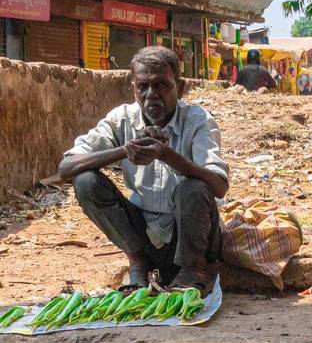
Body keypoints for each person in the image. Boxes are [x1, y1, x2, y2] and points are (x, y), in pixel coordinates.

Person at [58, 47, 229, 293]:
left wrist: (166, 155)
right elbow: (66, 167)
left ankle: (193, 269)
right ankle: (139, 262)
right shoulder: (122, 119)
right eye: (143, 86)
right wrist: (124, 151)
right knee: (85, 182)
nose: (151, 96)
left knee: (193, 187)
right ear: (133, 88)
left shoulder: (198, 120)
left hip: (193, 235)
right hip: (145, 234)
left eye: (161, 85)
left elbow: (219, 186)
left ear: (179, 89)